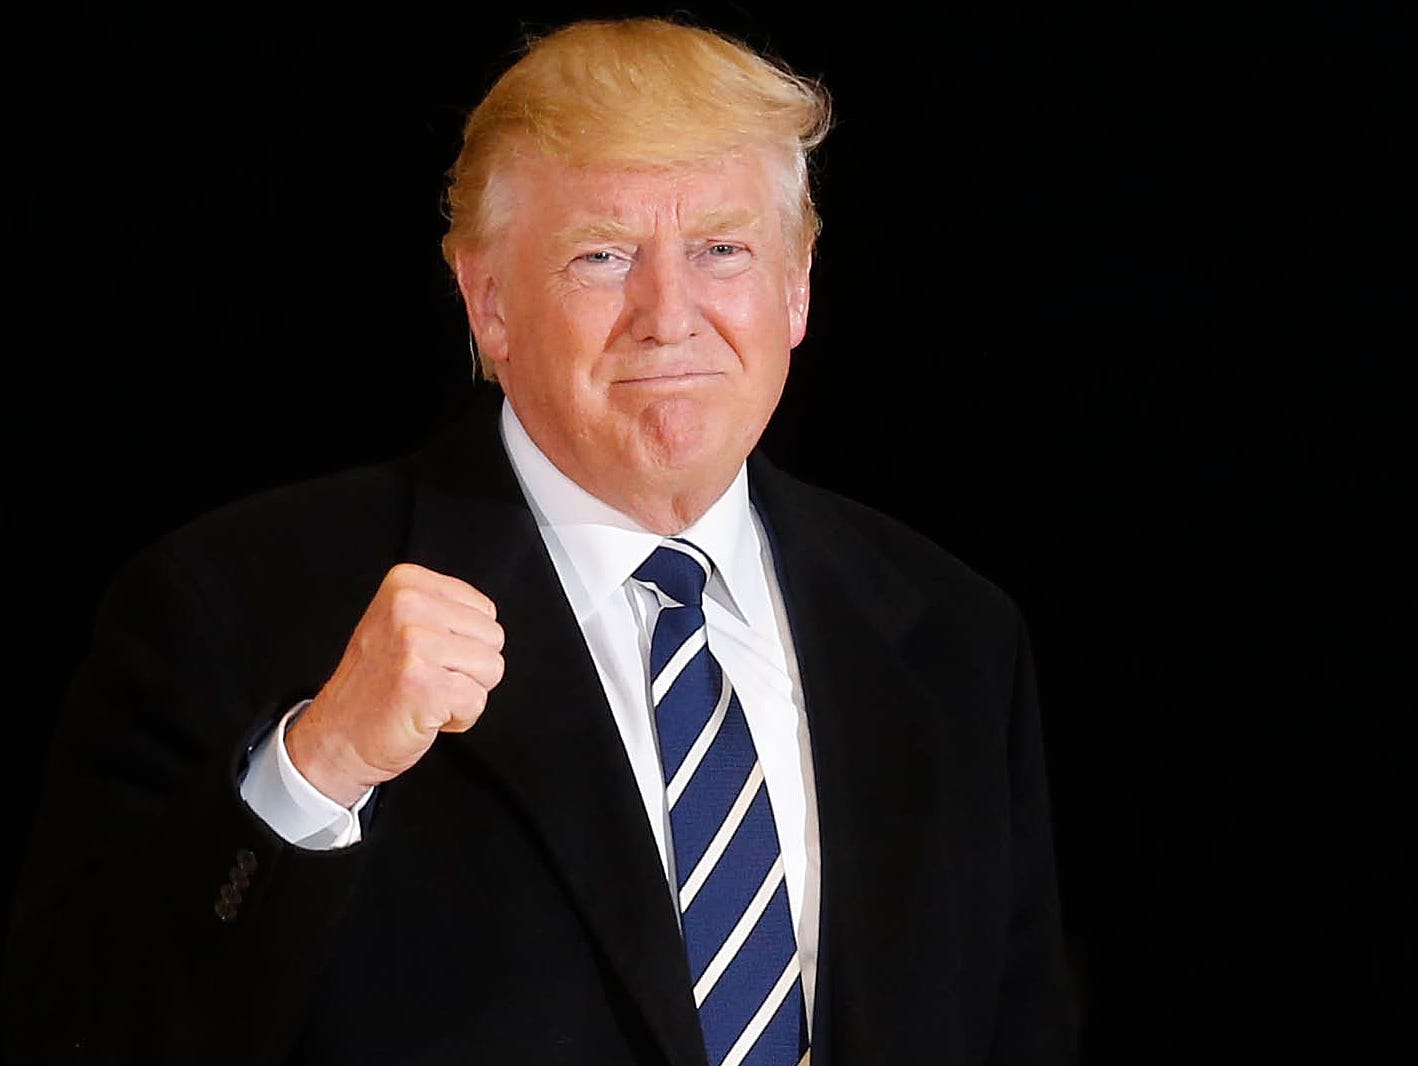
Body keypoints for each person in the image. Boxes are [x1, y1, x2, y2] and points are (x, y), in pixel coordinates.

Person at [2, 16, 1074, 1065]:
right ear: (488, 304)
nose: (669, 313)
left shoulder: (953, 639)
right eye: (602, 256)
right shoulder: (234, 604)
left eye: (721, 250)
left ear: (795, 287)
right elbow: (85, 1030)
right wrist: (317, 767)